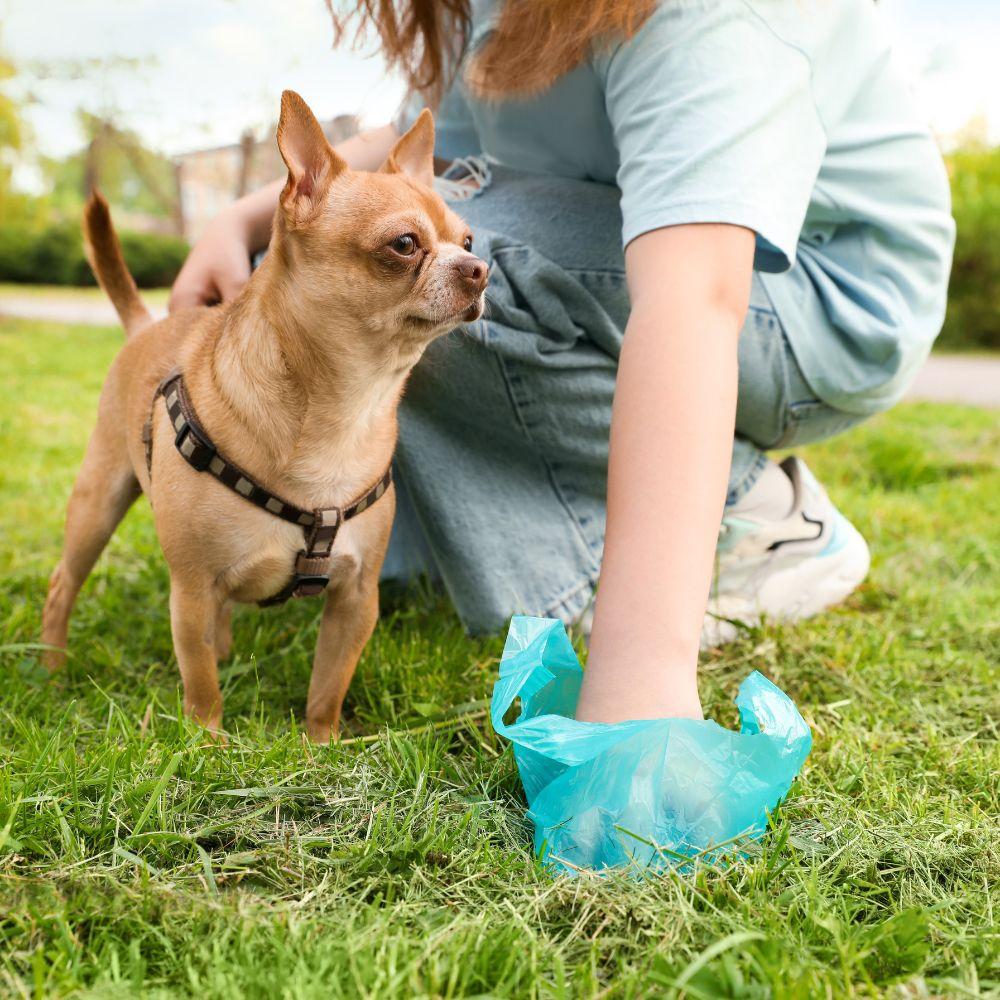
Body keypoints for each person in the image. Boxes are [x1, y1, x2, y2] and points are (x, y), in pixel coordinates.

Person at [169, 0, 955, 724]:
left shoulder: (716, 16)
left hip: (816, 301)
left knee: (454, 269)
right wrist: (245, 222)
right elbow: (423, 144)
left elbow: (696, 297)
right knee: (333, 271)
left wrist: (640, 676)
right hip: (636, 253)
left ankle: (744, 516)